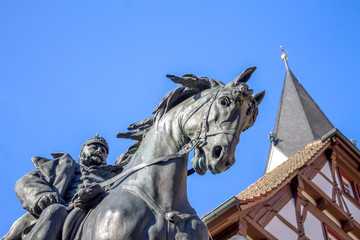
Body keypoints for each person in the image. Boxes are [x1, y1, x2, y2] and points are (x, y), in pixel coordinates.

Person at [2, 134, 123, 240]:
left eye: (103, 150)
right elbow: (25, 182)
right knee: (55, 211)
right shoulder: (65, 165)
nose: (99, 151)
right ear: (82, 153)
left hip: (99, 211)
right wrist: (43, 196)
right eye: (94, 147)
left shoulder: (114, 175)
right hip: (66, 208)